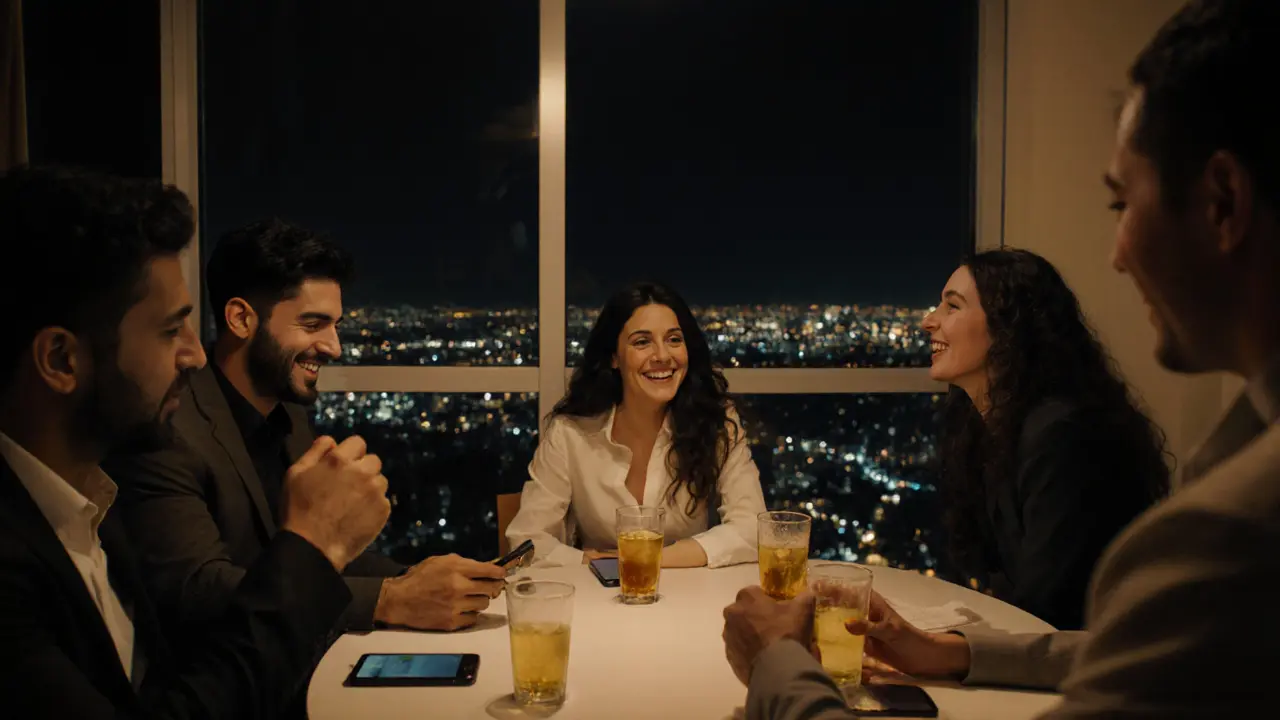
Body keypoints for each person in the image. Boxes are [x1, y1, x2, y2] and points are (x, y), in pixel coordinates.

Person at [722, 0, 1280, 716]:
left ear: (1224, 203)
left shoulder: (1236, 528)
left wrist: (776, 665)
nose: (1115, 256)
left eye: (1120, 204)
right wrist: (952, 651)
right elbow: (1115, 645)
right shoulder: (1233, 459)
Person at [0, 164, 391, 717]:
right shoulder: (17, 570)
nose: (196, 354)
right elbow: (198, 603)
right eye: (168, 331)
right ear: (63, 360)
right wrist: (316, 548)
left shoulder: (91, 504)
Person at [105, 219, 506, 639]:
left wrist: (417, 577)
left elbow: (323, 554)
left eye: (334, 325)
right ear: (241, 319)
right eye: (313, 325)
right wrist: (389, 600)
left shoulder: (288, 413)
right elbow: (198, 590)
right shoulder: (168, 429)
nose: (334, 346)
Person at [923, 248, 1168, 630]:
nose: (929, 322)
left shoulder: (1064, 435)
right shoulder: (985, 426)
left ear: (1007, 326)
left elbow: (1050, 609)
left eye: (951, 307)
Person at [506, 282, 766, 568]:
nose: (663, 356)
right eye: (642, 342)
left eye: (674, 340)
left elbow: (752, 529)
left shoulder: (717, 422)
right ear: (614, 357)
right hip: (599, 601)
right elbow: (526, 540)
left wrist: (641, 560)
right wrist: (587, 562)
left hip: (692, 602)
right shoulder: (570, 432)